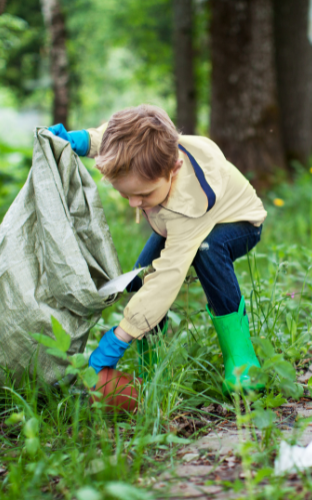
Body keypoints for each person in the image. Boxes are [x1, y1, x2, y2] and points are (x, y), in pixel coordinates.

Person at [48, 104, 267, 395]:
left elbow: (166, 281)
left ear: (173, 169)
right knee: (140, 277)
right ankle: (152, 366)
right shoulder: (152, 156)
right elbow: (119, 140)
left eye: (143, 194)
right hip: (173, 220)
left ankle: (242, 361)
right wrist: (83, 141)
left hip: (238, 222)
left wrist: (120, 336)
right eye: (125, 194)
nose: (134, 204)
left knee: (207, 250)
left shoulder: (191, 203)